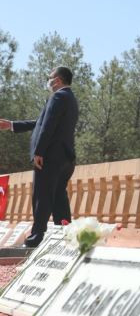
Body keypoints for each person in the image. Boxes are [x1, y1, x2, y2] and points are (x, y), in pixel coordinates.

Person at [0, 67, 79, 248]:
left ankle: (35, 238)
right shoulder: (70, 99)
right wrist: (11, 125)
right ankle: (66, 236)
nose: (48, 81)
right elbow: (41, 122)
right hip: (66, 158)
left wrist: (39, 151)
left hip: (50, 157)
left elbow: (48, 126)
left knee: (42, 195)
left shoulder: (58, 97)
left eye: (50, 77)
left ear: (57, 80)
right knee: (59, 196)